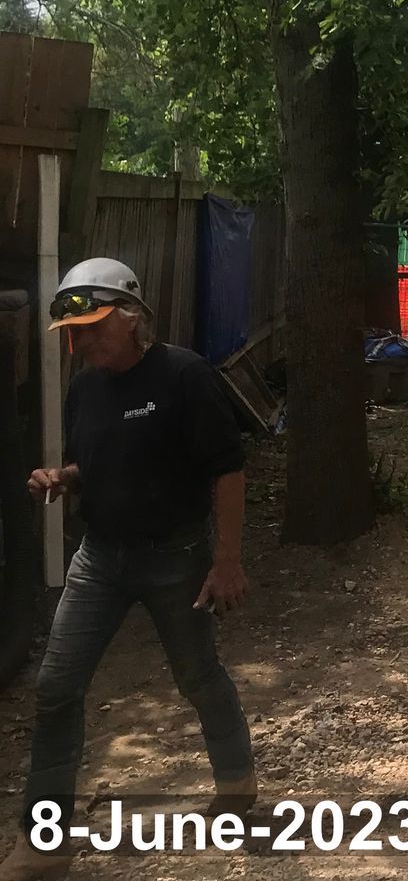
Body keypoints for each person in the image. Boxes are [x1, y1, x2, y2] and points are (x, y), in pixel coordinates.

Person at [1, 259, 255, 880]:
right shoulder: (86, 386)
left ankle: (239, 789)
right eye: (72, 331)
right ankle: (45, 840)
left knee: (197, 677)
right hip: (99, 560)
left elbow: (226, 469)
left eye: (91, 327)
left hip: (177, 558)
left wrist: (227, 560)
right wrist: (64, 476)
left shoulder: (184, 375)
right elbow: (102, 458)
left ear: (132, 318)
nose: (80, 341)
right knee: (57, 686)